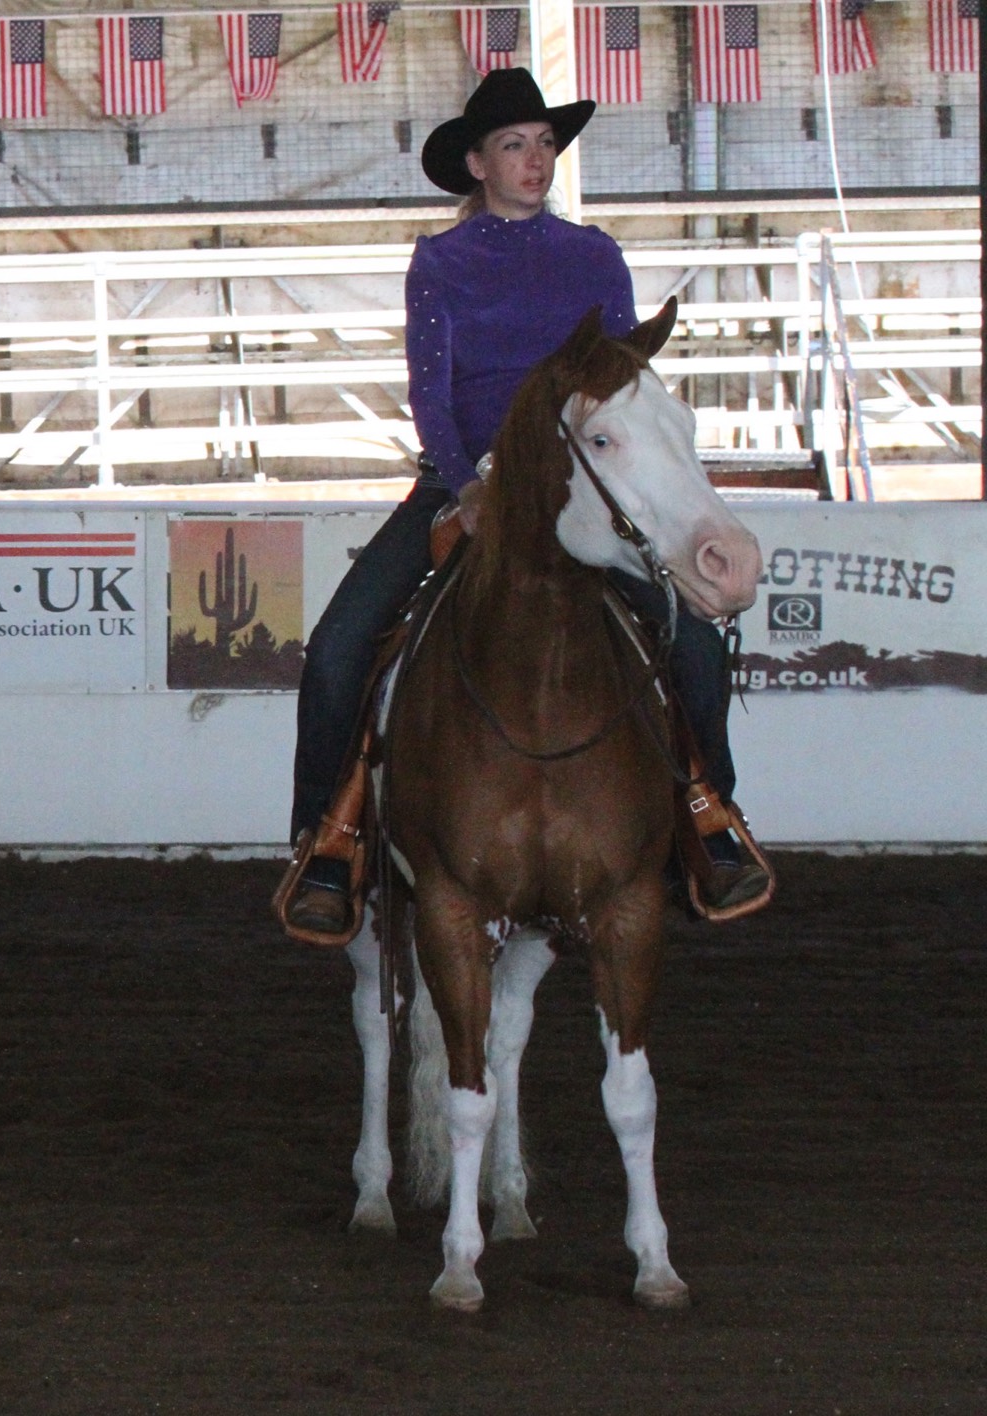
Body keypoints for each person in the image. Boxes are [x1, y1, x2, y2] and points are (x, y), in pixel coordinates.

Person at [284, 68, 769, 935]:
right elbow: (431, 393)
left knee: (692, 634)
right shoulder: (440, 262)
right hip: (464, 482)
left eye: (546, 144)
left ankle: (707, 818)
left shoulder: (595, 255)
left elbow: (618, 379)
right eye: (515, 145)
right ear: (477, 163)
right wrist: (466, 484)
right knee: (336, 649)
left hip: (583, 487)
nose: (536, 159)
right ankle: (330, 840)